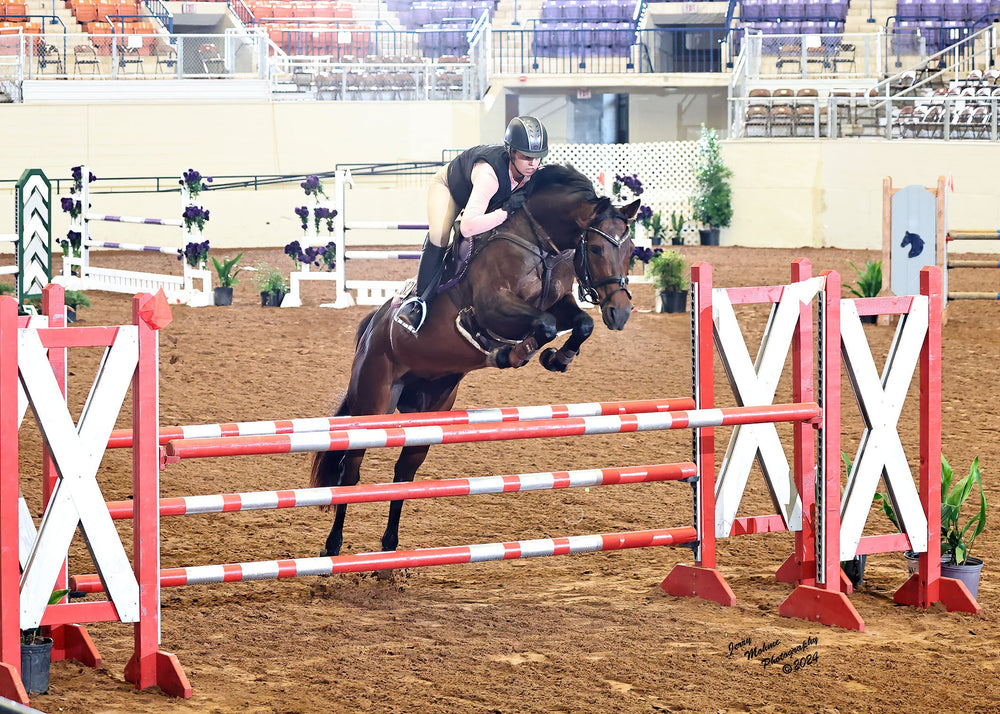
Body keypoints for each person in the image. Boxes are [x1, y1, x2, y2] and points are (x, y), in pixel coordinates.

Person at [393, 115, 549, 334]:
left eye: (538, 157)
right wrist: (504, 212)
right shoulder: (490, 175)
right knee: (441, 235)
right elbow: (467, 227)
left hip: (484, 198)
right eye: (526, 157)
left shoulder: (535, 173)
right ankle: (419, 301)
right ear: (511, 152)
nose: (533, 164)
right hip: (449, 189)